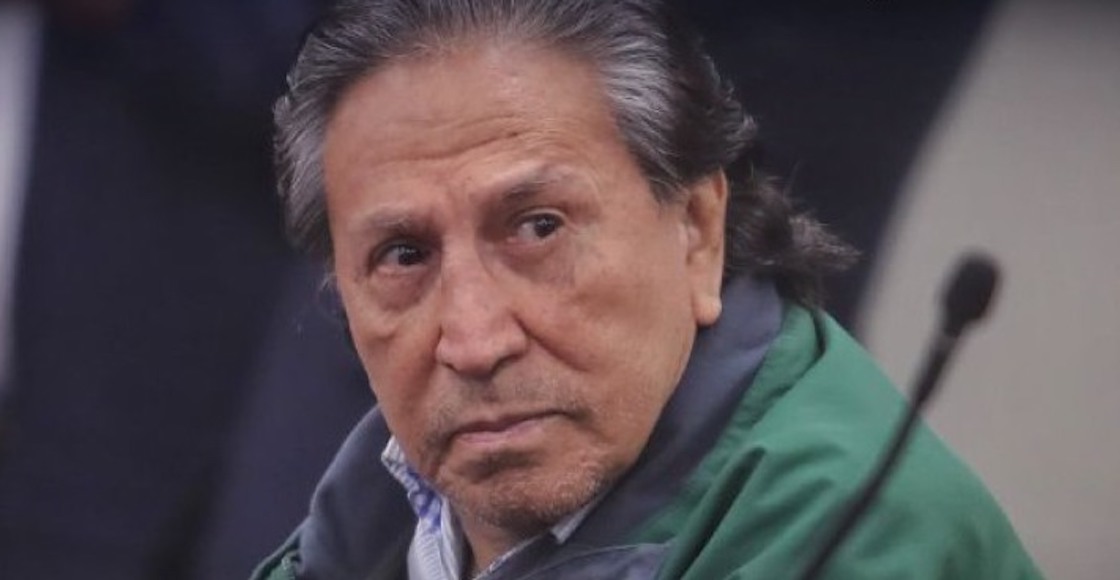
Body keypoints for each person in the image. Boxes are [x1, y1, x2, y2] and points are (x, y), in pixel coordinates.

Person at [253, 1, 1041, 578]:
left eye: (539, 228)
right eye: (403, 255)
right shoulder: (371, 514)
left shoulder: (862, 541)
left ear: (697, 230)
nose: (475, 339)